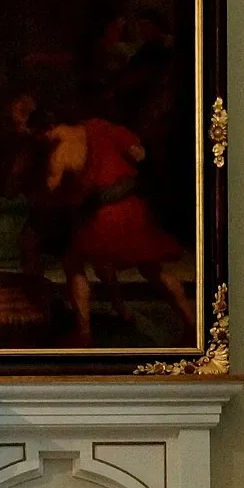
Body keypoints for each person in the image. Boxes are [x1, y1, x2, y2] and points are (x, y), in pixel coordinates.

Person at [43, 114, 194, 345]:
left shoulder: (60, 150)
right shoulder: (106, 129)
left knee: (73, 264)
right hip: (131, 209)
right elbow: (139, 154)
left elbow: (51, 190)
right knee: (152, 269)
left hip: (101, 216)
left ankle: (84, 334)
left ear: (54, 126)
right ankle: (193, 325)